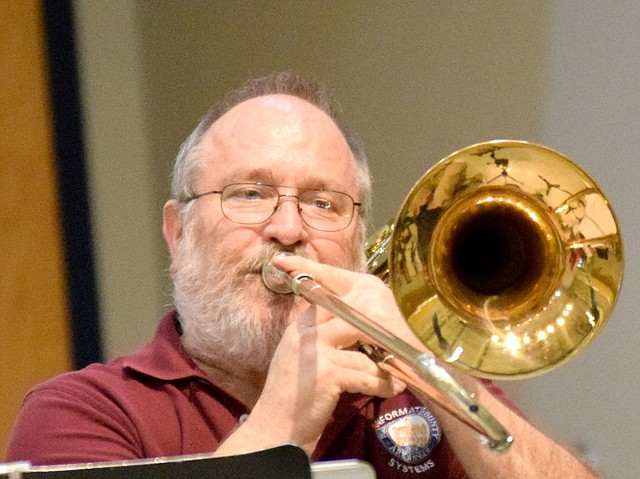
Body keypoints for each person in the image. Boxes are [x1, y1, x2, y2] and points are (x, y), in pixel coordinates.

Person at [7, 72, 601, 478]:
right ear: (178, 232)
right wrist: (283, 420)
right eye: (249, 194)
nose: (289, 228)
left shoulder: (418, 384)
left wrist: (431, 360)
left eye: (323, 203)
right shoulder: (85, 412)